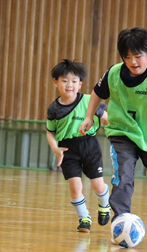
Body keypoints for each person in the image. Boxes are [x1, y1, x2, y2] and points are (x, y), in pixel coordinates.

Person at [79, 27, 147, 222]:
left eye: (138, 56)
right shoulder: (113, 73)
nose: (133, 62)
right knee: (123, 176)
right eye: (127, 57)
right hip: (122, 132)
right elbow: (97, 93)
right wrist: (88, 117)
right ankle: (121, 218)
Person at [46, 59, 111, 233]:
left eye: (74, 81)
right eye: (65, 80)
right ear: (56, 82)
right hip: (67, 148)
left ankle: (104, 205)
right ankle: (84, 218)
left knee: (98, 185)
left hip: (89, 145)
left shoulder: (90, 101)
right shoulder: (54, 109)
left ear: (80, 84)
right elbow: (49, 132)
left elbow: (107, 118)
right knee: (75, 187)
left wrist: (111, 125)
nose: (69, 85)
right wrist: (55, 148)